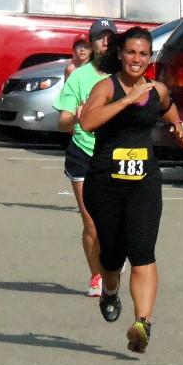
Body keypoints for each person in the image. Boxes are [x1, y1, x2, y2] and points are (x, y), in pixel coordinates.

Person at [79, 26, 183, 354]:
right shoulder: (106, 87)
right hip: (105, 184)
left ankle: (143, 322)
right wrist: (126, 100)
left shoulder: (157, 90)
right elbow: (87, 122)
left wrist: (178, 126)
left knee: (142, 253)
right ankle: (110, 291)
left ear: (149, 57)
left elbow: (167, 107)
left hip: (144, 183)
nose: (136, 59)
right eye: (130, 53)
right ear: (120, 54)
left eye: (143, 54)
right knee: (111, 257)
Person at [54, 19, 118, 297]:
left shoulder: (126, 75)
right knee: (90, 220)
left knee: (117, 219)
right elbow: (63, 122)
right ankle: (97, 276)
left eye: (110, 37)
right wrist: (77, 116)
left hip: (117, 152)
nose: (105, 42)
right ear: (90, 45)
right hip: (83, 151)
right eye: (99, 38)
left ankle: (114, 260)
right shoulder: (79, 77)